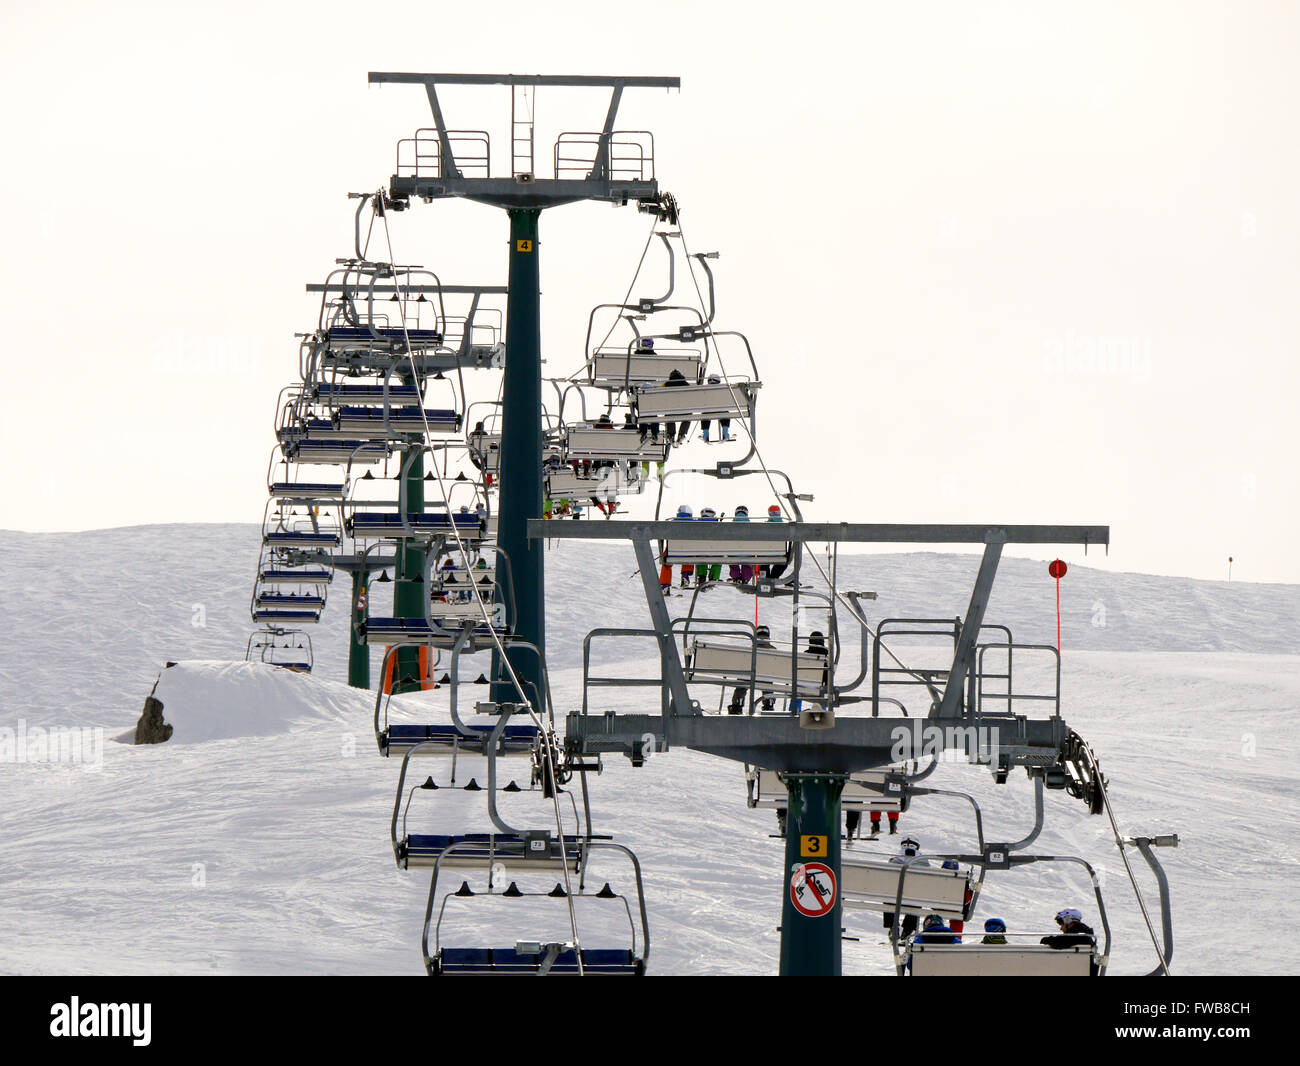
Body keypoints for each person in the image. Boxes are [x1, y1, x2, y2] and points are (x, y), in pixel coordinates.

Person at [884, 837, 929, 939]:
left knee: (887, 896)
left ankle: (892, 927)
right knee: (916, 900)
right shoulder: (924, 863)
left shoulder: (894, 861)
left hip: (893, 898)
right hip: (913, 899)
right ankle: (907, 930)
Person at [728, 623, 774, 715]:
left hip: (749, 676)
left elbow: (742, 665)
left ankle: (737, 704)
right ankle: (769, 704)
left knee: (742, 681)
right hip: (766, 678)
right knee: (769, 681)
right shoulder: (774, 651)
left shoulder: (750, 650)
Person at [660, 504, 693, 592]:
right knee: (690, 553)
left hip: (673, 553)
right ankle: (685, 575)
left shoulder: (671, 523)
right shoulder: (694, 523)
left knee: (666, 564)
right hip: (689, 553)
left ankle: (665, 586)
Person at [700, 374, 732, 442]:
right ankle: (725, 432)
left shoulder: (703, 389)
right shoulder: (724, 388)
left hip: (707, 411)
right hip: (721, 410)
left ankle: (705, 434)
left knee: (704, 414)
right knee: (725, 413)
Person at [728, 505, 754, 583]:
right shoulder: (752, 526)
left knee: (733, 563)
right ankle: (745, 578)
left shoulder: (729, 526)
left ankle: (736, 577)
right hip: (747, 553)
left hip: (733, 553)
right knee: (747, 564)